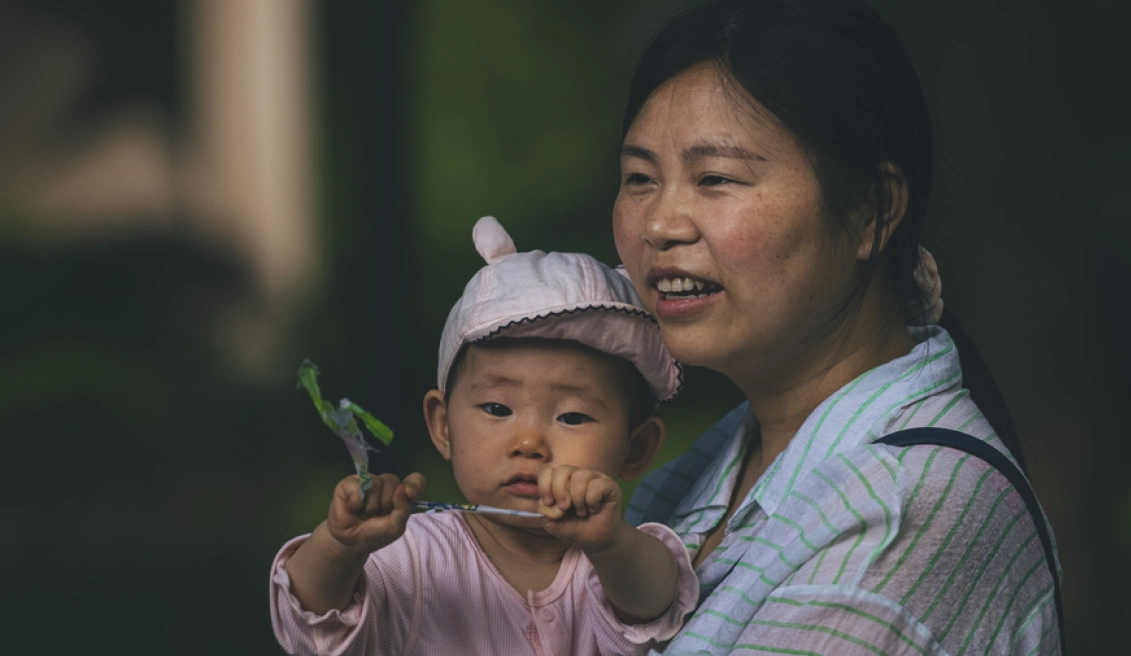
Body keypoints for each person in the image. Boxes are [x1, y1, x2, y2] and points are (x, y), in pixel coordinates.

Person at [612, 0, 1062, 653]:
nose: (659, 224)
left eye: (715, 178)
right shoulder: (695, 476)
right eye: (639, 178)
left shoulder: (905, 510)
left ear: (871, 211)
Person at [269, 216, 698, 655]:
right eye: (497, 409)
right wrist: (339, 549)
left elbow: (657, 605)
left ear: (635, 447)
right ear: (443, 425)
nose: (529, 444)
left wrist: (612, 544)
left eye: (572, 417)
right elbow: (311, 624)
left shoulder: (616, 561)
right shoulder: (414, 555)